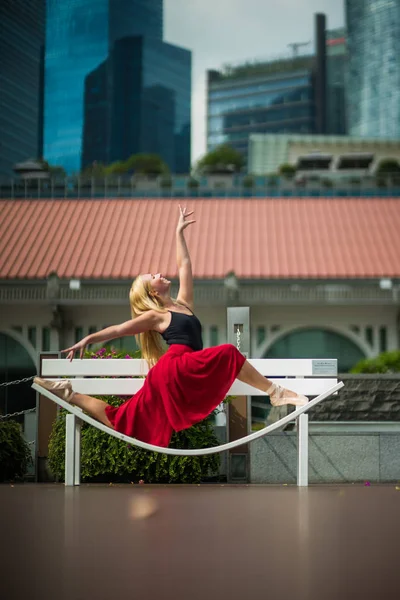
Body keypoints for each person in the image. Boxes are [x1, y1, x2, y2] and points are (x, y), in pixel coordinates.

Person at [34, 206, 308, 448]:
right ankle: (275, 392)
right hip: (174, 370)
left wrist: (179, 233)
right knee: (227, 352)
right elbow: (119, 329)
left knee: (122, 417)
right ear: (152, 293)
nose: (158, 274)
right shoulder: (157, 316)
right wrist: (87, 339)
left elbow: (184, 264)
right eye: (152, 277)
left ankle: (68, 392)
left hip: (183, 370)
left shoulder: (184, 303)